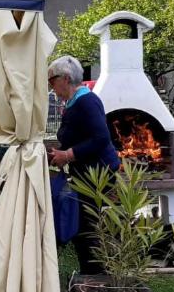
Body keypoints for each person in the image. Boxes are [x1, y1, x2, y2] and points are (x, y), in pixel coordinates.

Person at [46, 56, 121, 274]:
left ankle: (95, 276)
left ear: (66, 78)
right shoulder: (75, 102)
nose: (50, 86)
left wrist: (68, 155)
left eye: (52, 80)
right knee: (83, 226)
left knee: (87, 227)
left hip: (97, 175)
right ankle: (90, 273)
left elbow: (101, 138)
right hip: (88, 172)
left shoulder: (86, 101)